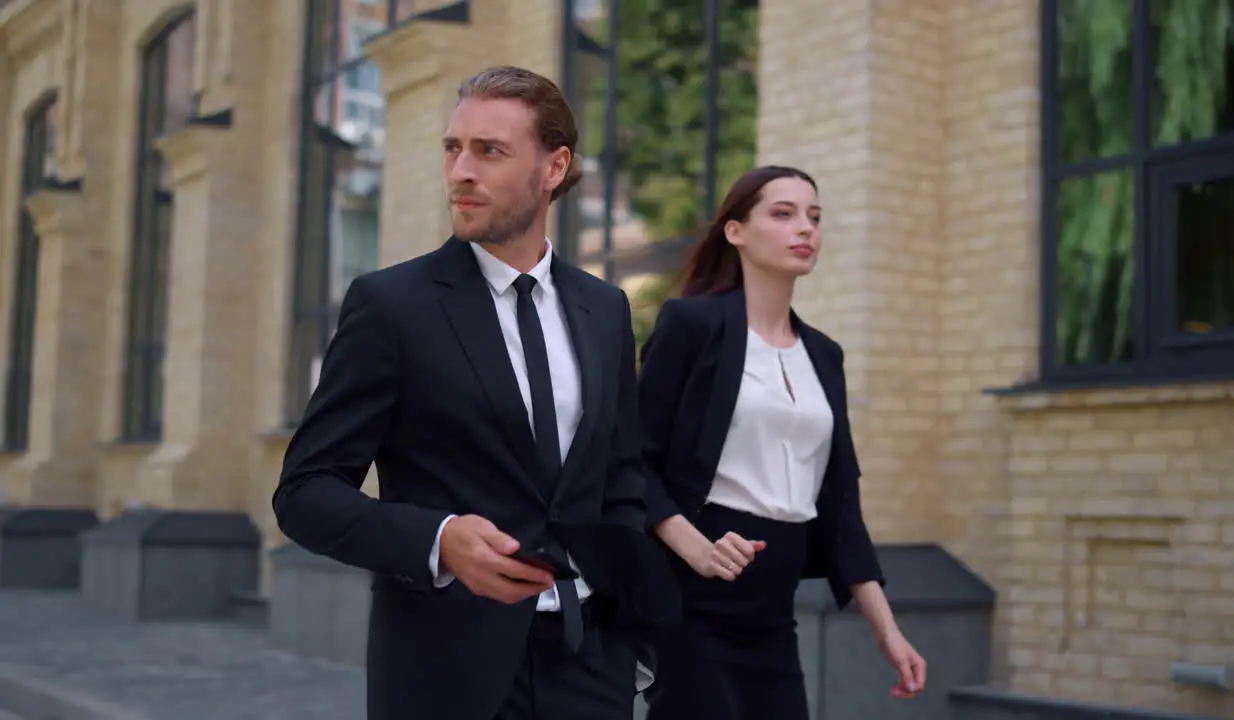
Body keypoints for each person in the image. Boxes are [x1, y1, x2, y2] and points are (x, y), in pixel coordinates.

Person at [273, 66, 677, 720]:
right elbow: (305, 492)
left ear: (554, 167)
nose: (462, 170)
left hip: (590, 665)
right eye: (453, 149)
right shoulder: (392, 307)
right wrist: (438, 540)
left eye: (489, 151)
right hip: (448, 672)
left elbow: (620, 479)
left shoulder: (603, 309)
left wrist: (631, 623)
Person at [637, 165, 927, 720]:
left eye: (814, 217)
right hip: (692, 603)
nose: (806, 229)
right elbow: (632, 459)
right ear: (736, 232)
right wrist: (696, 546)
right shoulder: (690, 326)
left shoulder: (824, 354)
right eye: (784, 213)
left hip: (774, 614)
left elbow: (842, 504)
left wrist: (887, 632)